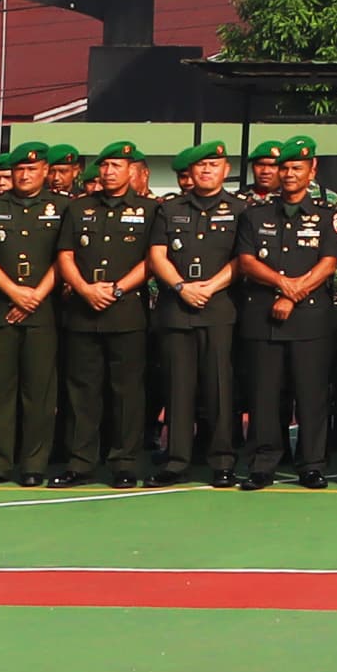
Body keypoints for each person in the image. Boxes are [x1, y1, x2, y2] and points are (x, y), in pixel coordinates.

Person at [146, 142, 250, 487]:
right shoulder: (170, 208)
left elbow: (242, 259)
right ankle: (176, 460)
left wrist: (210, 287)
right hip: (177, 308)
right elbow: (157, 255)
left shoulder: (240, 209)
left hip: (218, 307)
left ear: (225, 170)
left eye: (214, 164)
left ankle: (221, 460)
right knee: (178, 387)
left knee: (218, 388)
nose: (207, 171)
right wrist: (180, 287)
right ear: (190, 172)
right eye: (201, 166)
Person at [239, 148, 337, 492]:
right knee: (264, 395)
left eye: (297, 168)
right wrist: (283, 285)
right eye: (284, 168)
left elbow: (328, 263)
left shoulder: (328, 215)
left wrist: (292, 294)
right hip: (264, 316)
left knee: (311, 395)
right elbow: (247, 261)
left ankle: (312, 464)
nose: (289, 174)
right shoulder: (255, 214)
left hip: (310, 318)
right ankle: (263, 464)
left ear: (311, 171)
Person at [53, 143, 155, 489]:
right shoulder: (79, 208)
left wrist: (117, 289)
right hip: (83, 311)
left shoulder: (148, 210)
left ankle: (124, 463)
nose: (109, 171)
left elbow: (151, 260)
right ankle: (80, 463)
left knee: (126, 392)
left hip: (126, 311)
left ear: (133, 171)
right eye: (105, 165)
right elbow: (65, 255)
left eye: (116, 165)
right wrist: (84, 289)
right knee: (82, 391)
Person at [0, 144, 67, 488]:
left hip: (43, 310)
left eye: (32, 169)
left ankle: (34, 462)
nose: (24, 175)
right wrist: (14, 291)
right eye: (19, 170)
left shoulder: (63, 207)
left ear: (45, 172)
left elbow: (64, 258)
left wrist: (35, 295)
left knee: (38, 392)